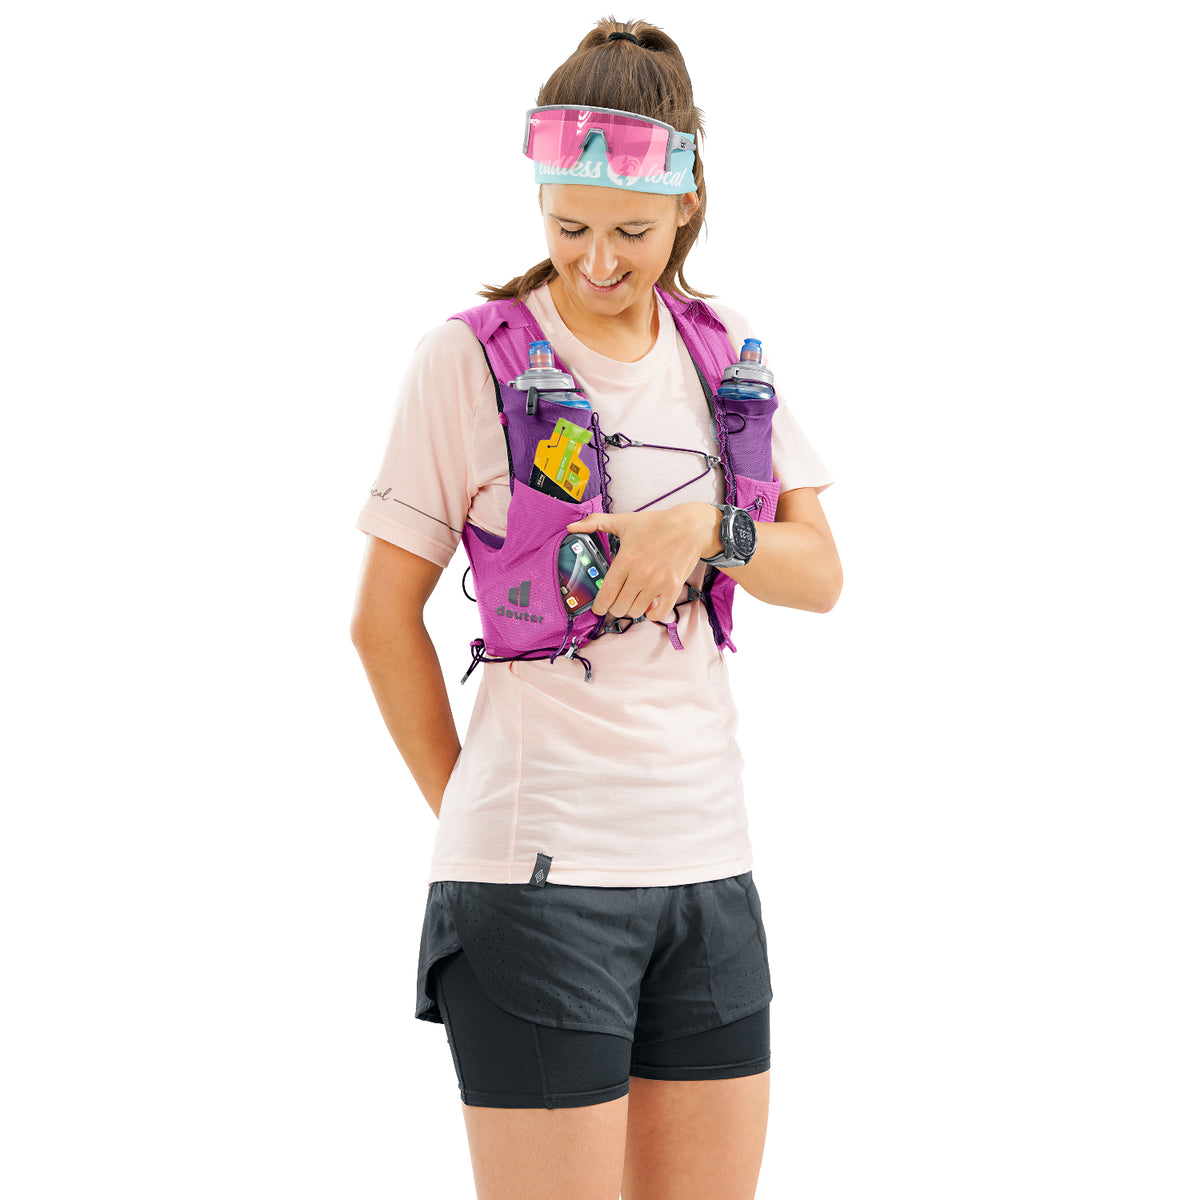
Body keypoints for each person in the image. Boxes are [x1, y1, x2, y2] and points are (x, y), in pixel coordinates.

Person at [350, 17, 841, 1200]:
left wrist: (706, 529)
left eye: (629, 231)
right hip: (537, 881)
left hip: (710, 870)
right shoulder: (466, 362)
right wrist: (475, 815)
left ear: (686, 202)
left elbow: (819, 574)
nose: (598, 260)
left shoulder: (727, 359)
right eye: (568, 227)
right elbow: (381, 618)